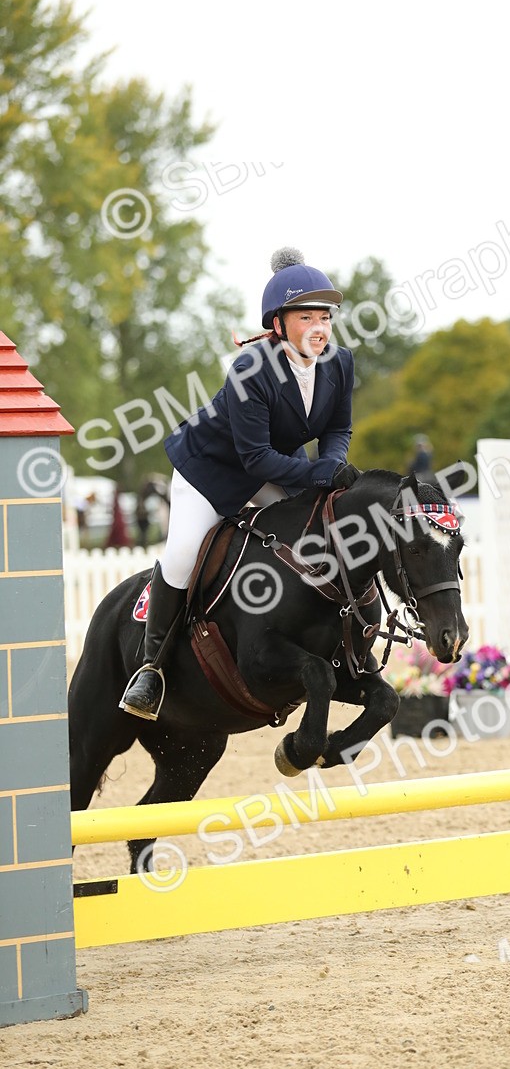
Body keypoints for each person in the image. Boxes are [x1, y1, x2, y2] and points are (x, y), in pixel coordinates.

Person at [119, 247, 360, 721]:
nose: (319, 327)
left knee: (324, 526)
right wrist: (317, 473)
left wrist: (330, 466)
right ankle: (151, 668)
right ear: (278, 325)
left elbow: (338, 430)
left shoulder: (339, 363)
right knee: (184, 554)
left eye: (325, 318)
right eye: (306, 316)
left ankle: (348, 638)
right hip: (211, 471)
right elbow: (254, 458)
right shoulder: (251, 370)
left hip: (279, 465)